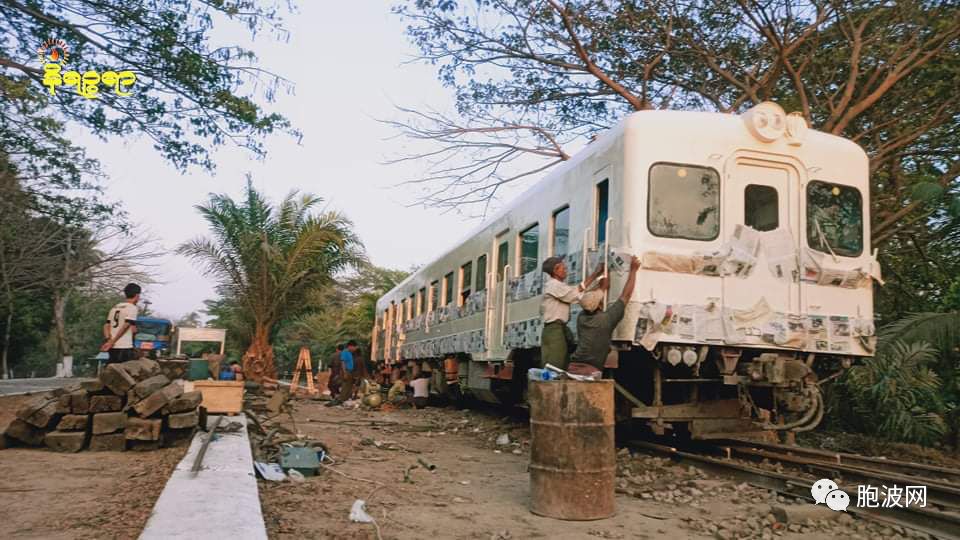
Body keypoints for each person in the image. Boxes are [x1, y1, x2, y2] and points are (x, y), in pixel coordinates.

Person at [569, 256, 641, 372]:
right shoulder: (606, 320)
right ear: (599, 306)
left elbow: (588, 303)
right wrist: (633, 270)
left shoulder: (581, 318)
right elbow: (625, 296)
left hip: (572, 366)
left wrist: (601, 288)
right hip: (590, 369)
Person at [540, 257, 604, 370]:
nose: (565, 269)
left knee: (562, 363)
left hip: (560, 329)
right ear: (555, 270)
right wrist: (598, 283)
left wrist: (595, 279)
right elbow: (574, 295)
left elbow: (576, 291)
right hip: (554, 330)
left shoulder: (559, 285)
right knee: (555, 366)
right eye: (563, 267)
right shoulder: (553, 285)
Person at [100, 283, 142, 364]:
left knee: (112, 371)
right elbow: (126, 325)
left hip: (112, 348)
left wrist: (109, 341)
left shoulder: (115, 307)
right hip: (125, 347)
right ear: (137, 295)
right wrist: (113, 342)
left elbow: (106, 325)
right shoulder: (132, 308)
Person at [328, 340, 359, 406]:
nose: (355, 349)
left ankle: (344, 399)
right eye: (354, 347)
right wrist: (345, 373)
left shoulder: (350, 353)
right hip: (346, 371)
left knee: (348, 387)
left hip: (349, 371)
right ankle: (340, 400)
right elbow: (343, 363)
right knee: (345, 386)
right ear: (350, 346)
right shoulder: (345, 352)